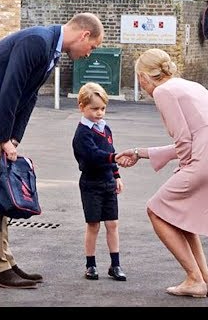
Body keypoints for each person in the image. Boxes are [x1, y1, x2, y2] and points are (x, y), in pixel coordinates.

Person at [0, 13, 104, 289]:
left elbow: (27, 97)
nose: (89, 54)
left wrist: (14, 138)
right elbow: (11, 89)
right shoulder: (37, 42)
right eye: (92, 47)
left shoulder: (49, 49)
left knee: (3, 186)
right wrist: (5, 136)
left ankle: (4, 261)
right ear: (84, 35)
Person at [115, 48, 208, 297]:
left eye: (139, 78)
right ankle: (206, 279)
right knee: (181, 217)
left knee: (156, 210)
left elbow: (183, 139)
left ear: (144, 76)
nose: (141, 84)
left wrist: (185, 168)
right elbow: (198, 136)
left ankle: (195, 278)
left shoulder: (164, 92)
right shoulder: (190, 86)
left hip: (204, 159)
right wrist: (140, 152)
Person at [72, 82, 127, 282]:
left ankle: (115, 264)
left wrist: (116, 175)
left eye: (102, 108)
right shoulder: (82, 133)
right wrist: (114, 158)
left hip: (107, 182)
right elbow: (93, 156)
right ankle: (91, 265)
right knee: (93, 224)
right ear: (82, 107)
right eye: (94, 109)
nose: (99, 113)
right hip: (91, 183)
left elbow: (110, 151)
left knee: (112, 224)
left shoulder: (105, 129)